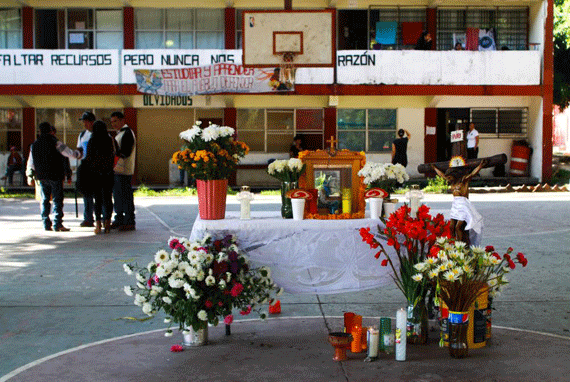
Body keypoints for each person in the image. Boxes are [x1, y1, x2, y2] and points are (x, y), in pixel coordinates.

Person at [26, 122, 82, 231]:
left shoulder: (34, 145)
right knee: (57, 199)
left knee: (44, 199)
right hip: (55, 175)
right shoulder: (56, 143)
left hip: (42, 176)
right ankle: (57, 223)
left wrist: (30, 175)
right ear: (51, 131)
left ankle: (46, 223)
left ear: (39, 131)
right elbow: (68, 154)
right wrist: (78, 154)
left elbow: (31, 162)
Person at [430, 159, 487, 246]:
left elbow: (472, 174)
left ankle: (460, 245)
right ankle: (453, 242)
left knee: (458, 227)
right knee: (451, 226)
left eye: (449, 176)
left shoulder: (463, 180)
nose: (447, 178)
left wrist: (480, 166)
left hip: (463, 205)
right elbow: (442, 175)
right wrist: (434, 168)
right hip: (455, 205)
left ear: (454, 174)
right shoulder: (452, 182)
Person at [83, 121, 115, 234]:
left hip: (95, 174)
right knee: (108, 198)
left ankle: (98, 223)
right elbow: (113, 155)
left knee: (97, 199)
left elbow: (88, 158)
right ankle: (107, 222)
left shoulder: (92, 140)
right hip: (108, 173)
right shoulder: (109, 140)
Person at [110, 111, 136, 231]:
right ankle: (119, 219)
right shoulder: (120, 134)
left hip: (124, 171)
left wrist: (114, 155)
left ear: (122, 120)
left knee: (125, 196)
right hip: (118, 171)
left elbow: (125, 152)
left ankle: (129, 220)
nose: (113, 124)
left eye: (115, 121)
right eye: (112, 122)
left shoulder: (127, 133)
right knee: (118, 196)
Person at [77, 111, 96, 227]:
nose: (84, 124)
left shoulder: (100, 133)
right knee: (87, 194)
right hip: (86, 167)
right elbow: (79, 149)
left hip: (97, 167)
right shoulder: (82, 135)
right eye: (83, 122)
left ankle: (103, 217)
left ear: (92, 122)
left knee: (100, 195)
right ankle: (88, 218)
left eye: (86, 122)